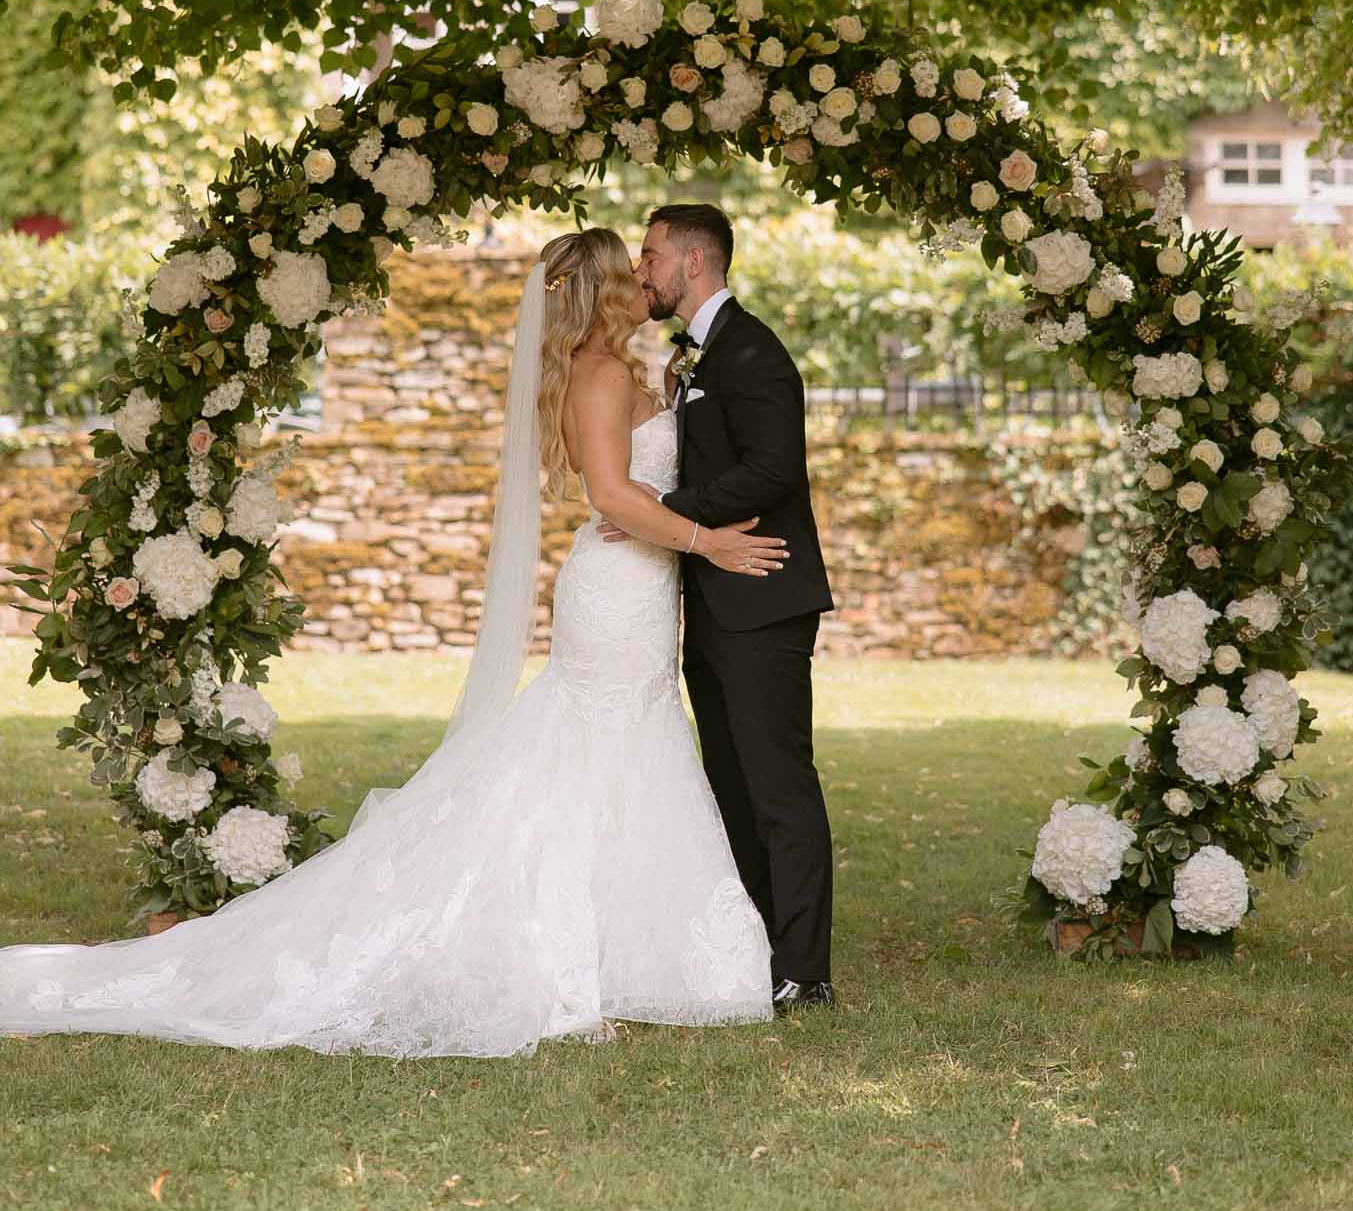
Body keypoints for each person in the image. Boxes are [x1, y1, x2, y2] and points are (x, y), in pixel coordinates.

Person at [0, 229, 790, 1059]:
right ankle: (581, 954)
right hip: (617, 589)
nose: (641, 278)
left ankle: (632, 950)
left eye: (646, 264)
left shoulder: (632, 371)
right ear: (603, 294)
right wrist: (709, 543)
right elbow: (611, 496)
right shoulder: (596, 377)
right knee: (596, 748)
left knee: (629, 751)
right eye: (627, 271)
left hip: (640, 587)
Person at [613, 202, 836, 1012]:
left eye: (650, 254)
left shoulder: (754, 352)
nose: (641, 270)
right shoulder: (698, 355)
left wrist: (670, 508)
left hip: (763, 596)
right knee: (730, 786)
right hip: (709, 602)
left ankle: (805, 972)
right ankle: (759, 948)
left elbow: (774, 470)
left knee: (779, 786)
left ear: (694, 260)